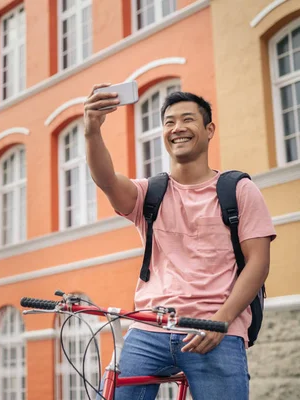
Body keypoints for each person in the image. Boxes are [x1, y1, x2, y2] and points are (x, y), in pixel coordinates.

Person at [83, 84, 276, 400]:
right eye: (169, 122)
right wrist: (92, 131)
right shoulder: (150, 193)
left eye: (188, 119)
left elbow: (258, 263)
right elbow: (106, 180)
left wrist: (221, 321)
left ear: (209, 129)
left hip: (214, 331)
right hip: (149, 329)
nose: (177, 128)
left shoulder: (238, 190)